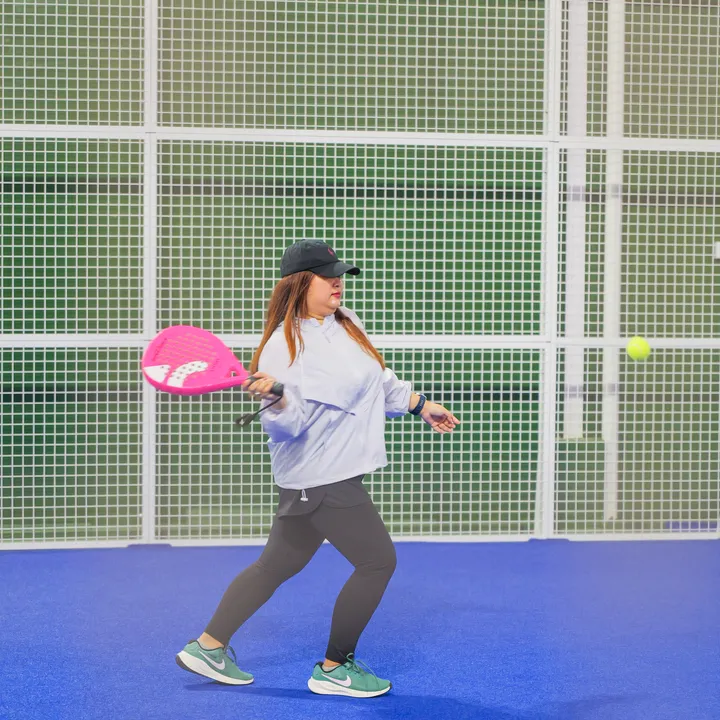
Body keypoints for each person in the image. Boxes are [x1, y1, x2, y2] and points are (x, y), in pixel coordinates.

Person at [176, 239, 460, 698]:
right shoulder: (281, 347)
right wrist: (277, 399)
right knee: (377, 562)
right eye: (326, 276)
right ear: (297, 284)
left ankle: (208, 646)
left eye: (339, 274)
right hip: (321, 476)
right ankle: (335, 668)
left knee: (275, 565)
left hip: (330, 474)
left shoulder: (346, 322)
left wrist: (419, 404)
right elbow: (285, 428)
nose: (337, 282)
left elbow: (377, 380)